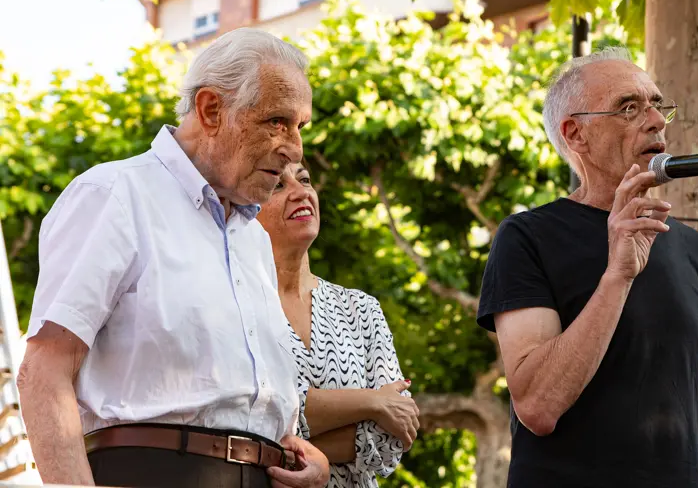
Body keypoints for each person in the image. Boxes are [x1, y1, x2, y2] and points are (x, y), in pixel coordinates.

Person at [18, 28, 330, 488]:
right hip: (150, 473)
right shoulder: (115, 195)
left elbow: (243, 398)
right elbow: (43, 372)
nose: (294, 148)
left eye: (299, 126)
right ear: (210, 110)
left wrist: (299, 453)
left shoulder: (254, 240)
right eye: (277, 121)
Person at [476, 47, 698, 488]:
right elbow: (538, 405)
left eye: (658, 105)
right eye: (629, 107)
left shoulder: (695, 248)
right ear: (576, 134)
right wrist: (617, 276)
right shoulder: (526, 237)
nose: (655, 120)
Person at [257, 162, 419, 488]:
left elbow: (394, 436)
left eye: (304, 180)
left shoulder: (361, 308)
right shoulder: (239, 305)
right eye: (279, 185)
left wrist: (273, 447)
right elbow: (247, 416)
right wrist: (372, 402)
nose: (301, 192)